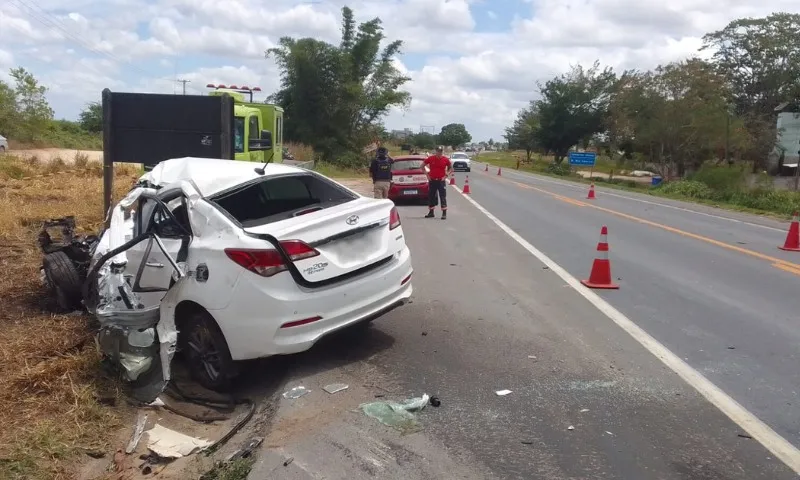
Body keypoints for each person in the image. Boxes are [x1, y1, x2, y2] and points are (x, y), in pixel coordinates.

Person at [422, 146, 452, 219]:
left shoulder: (445, 159)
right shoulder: (431, 158)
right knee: (431, 196)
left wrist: (446, 175)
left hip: (441, 181)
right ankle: (431, 212)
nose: (439, 152)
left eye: (441, 151)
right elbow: (422, 166)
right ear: (436, 151)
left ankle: (444, 213)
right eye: (438, 151)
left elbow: (451, 168)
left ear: (442, 151)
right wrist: (427, 175)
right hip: (432, 180)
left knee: (442, 196)